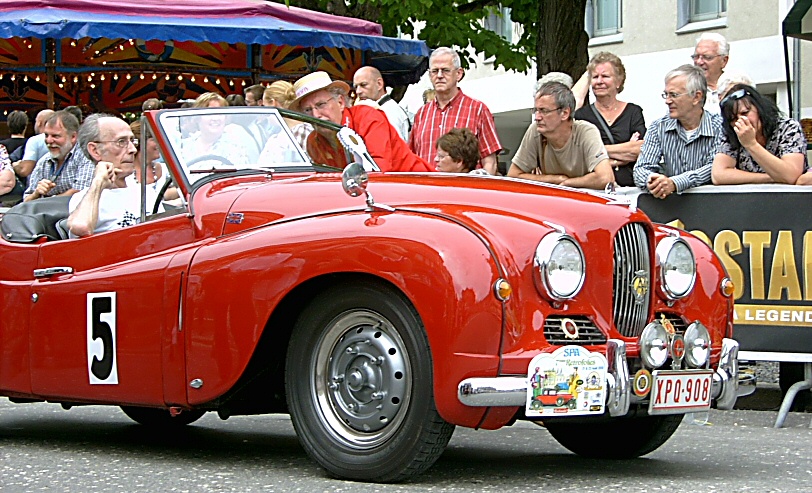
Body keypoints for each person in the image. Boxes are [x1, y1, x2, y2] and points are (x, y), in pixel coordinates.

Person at [289, 71, 432, 172]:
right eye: (307, 110)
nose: (315, 115)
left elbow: (378, 172)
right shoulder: (313, 142)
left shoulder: (368, 118)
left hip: (419, 189)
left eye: (321, 105)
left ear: (340, 102)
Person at [633, 65, 722, 198]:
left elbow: (714, 169)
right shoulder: (658, 127)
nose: (667, 101)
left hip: (711, 206)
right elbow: (641, 169)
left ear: (696, 97)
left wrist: (676, 183)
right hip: (670, 208)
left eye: (674, 95)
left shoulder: (719, 127)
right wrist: (654, 181)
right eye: (666, 94)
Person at [409, 47, 502, 175]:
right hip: (428, 191)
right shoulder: (421, 114)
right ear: (430, 75)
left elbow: (490, 162)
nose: (440, 75)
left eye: (445, 70)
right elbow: (412, 159)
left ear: (459, 73)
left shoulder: (478, 110)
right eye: (435, 71)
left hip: (463, 191)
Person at [507, 81, 613, 190]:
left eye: (544, 111)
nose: (537, 117)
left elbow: (605, 178)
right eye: (536, 110)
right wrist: (554, 180)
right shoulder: (536, 131)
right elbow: (513, 176)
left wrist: (567, 183)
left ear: (565, 113)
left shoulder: (586, 131)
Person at [67, 114, 154, 238]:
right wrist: (98, 182)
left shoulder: (145, 191)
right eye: (121, 142)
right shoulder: (83, 199)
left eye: (132, 141)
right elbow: (81, 227)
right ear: (95, 151)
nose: (133, 149)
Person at [574, 52, 646, 187]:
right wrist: (623, 154)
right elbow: (579, 156)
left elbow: (640, 150)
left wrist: (596, 153)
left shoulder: (633, 112)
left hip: (631, 188)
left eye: (605, 76)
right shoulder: (581, 115)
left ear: (618, 81)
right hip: (596, 188)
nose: (599, 81)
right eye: (595, 77)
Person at [711, 84, 808, 185]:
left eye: (745, 113)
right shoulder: (732, 132)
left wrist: (751, 144)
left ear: (758, 108)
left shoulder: (787, 127)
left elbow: (790, 175)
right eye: (734, 119)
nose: (741, 120)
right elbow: (719, 175)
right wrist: (770, 177)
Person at [23, 110, 94, 202]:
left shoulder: (86, 156)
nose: (49, 141)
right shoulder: (44, 162)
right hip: (44, 213)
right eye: (46, 135)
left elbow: (81, 193)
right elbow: (26, 201)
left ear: (73, 137)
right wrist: (36, 194)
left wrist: (46, 202)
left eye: (55, 136)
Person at [181, 92, 250, 165]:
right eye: (209, 114)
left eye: (220, 113)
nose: (215, 118)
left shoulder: (235, 147)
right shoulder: (184, 146)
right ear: (197, 117)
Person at [353, 66, 411, 141]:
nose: (358, 91)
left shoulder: (390, 112)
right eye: (356, 87)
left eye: (363, 85)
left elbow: (394, 149)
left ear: (379, 84)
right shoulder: (381, 109)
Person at [261, 80, 313, 151]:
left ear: (273, 103)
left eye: (264, 106)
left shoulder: (296, 133)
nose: (264, 114)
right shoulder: (311, 128)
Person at [692, 33, 729, 114]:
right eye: (696, 56)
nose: (699, 62)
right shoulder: (687, 90)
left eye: (707, 57)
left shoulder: (734, 87)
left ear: (724, 61)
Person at [13, 108, 54, 180]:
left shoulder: (35, 141)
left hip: (38, 187)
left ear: (39, 123)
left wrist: (14, 165)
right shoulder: (66, 139)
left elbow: (25, 170)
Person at [127, 120, 167, 192]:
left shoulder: (166, 171)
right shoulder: (125, 174)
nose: (160, 143)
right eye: (155, 139)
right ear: (139, 142)